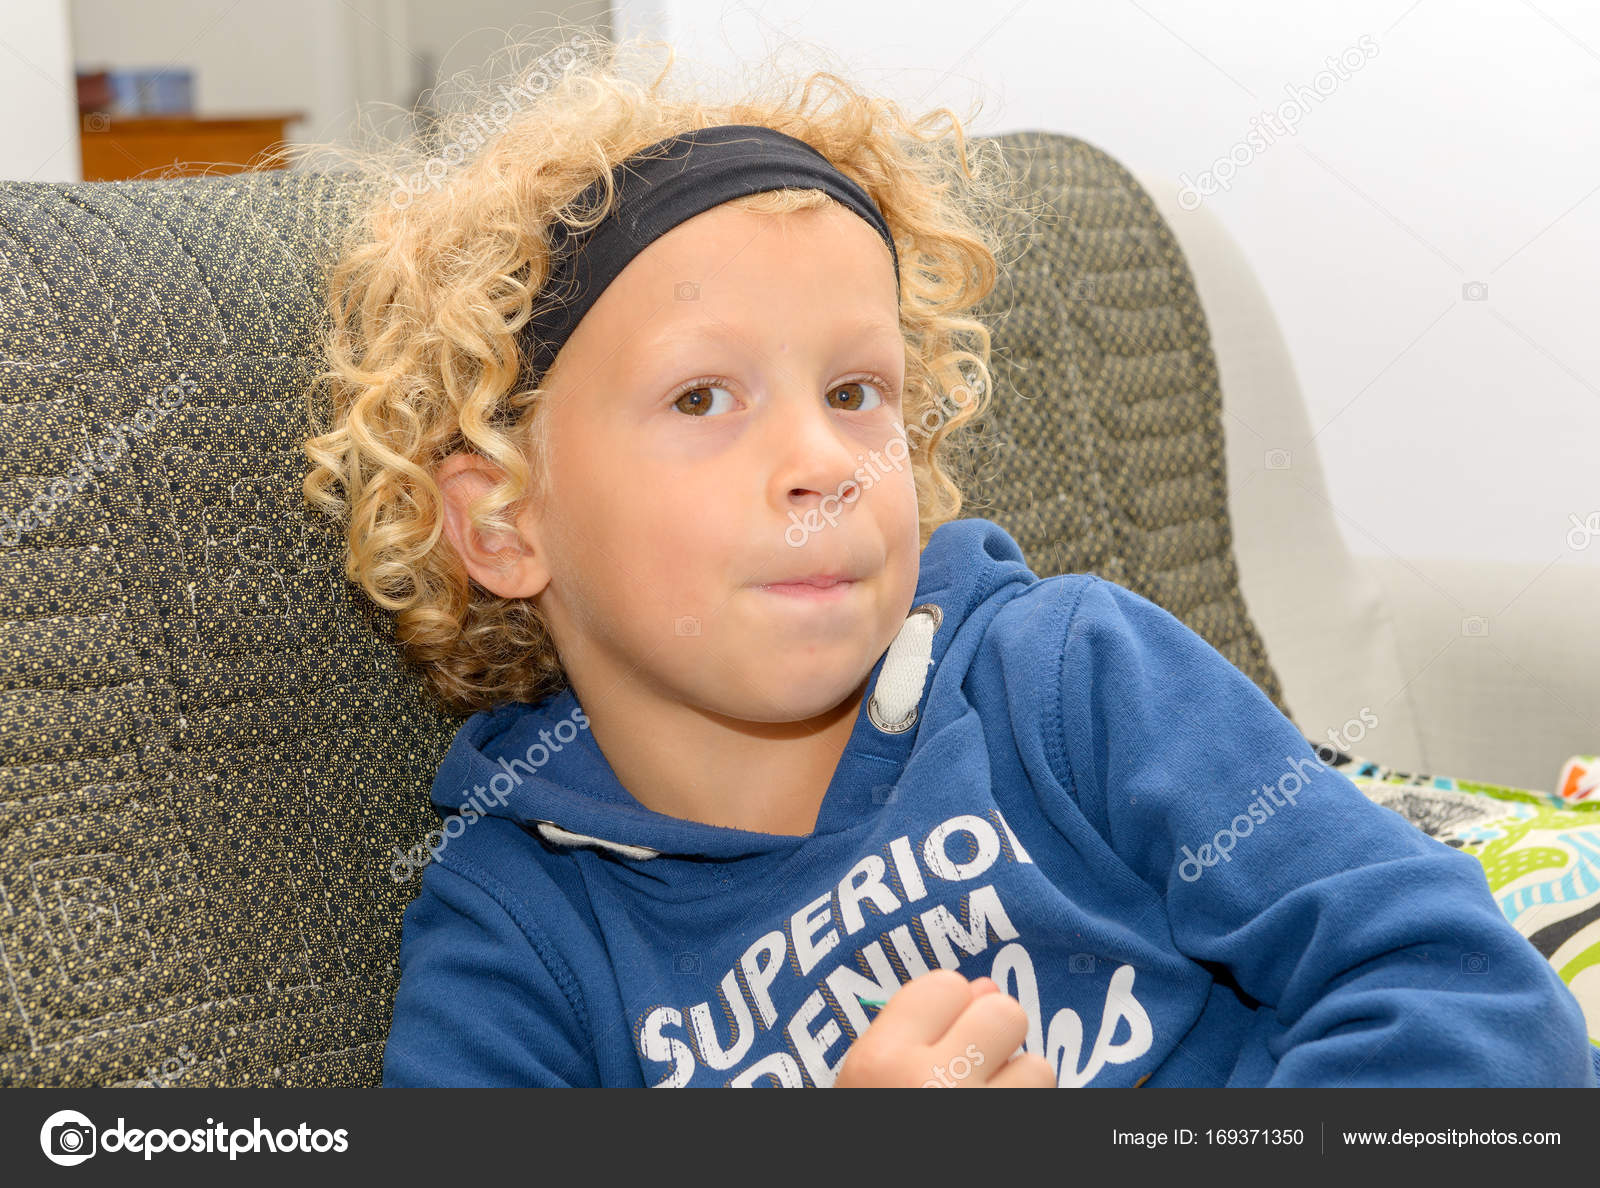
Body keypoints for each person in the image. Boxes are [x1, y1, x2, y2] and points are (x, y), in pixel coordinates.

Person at [299, 31, 1600, 1088]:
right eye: (703, 399)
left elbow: (1473, 1005)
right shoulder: (521, 922)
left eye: (860, 392)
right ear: (503, 524)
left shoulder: (1072, 682)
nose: (827, 460)